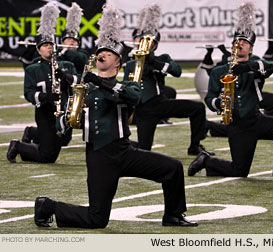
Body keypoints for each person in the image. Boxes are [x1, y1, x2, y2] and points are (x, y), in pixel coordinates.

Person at [33, 4, 198, 228]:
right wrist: (66, 120)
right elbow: (66, 122)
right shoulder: (85, 88)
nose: (101, 55)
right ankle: (48, 206)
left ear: (117, 61)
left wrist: (100, 82)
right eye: (99, 52)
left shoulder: (124, 83)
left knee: (172, 168)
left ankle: (173, 215)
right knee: (97, 219)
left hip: (124, 150)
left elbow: (132, 97)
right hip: (99, 156)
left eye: (107, 53)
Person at [188, 2, 273, 178]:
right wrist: (219, 103)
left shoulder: (256, 64)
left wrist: (247, 67)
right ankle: (206, 160)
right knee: (240, 172)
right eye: (237, 41)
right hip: (237, 125)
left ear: (251, 48)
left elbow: (269, 66)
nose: (240, 44)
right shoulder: (220, 70)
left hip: (257, 119)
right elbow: (209, 97)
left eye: (244, 42)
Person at [123, 4, 214, 155]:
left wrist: (154, 63)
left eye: (150, 42)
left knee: (197, 108)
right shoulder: (131, 63)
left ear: (156, 46)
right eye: (143, 41)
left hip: (160, 103)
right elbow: (126, 86)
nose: (145, 45)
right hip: (143, 109)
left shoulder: (162, 58)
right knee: (144, 150)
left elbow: (177, 71)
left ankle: (195, 146)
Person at [6, 2, 78, 163]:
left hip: (64, 111)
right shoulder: (33, 69)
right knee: (47, 157)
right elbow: (29, 93)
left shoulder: (66, 65)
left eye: (51, 45)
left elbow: (78, 81)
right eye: (44, 46)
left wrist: (66, 76)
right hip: (45, 113)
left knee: (64, 140)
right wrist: (46, 97)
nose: (48, 48)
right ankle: (18, 146)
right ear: (38, 50)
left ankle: (34, 134)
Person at [21, 2, 88, 146]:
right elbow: (28, 67)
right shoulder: (38, 65)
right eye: (68, 40)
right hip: (46, 107)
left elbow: (79, 64)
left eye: (74, 41)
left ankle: (40, 136)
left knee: (63, 140)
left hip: (68, 102)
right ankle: (32, 135)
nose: (71, 43)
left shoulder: (71, 60)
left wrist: (66, 73)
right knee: (50, 143)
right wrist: (45, 96)